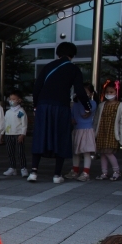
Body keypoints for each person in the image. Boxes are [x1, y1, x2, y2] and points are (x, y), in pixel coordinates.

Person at [28, 42, 92, 184]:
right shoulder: (73, 69)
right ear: (72, 55)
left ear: (58, 53)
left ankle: (33, 172)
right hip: (61, 106)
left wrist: (35, 106)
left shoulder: (48, 66)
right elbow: (80, 91)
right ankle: (57, 175)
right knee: (61, 137)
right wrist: (88, 107)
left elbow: (37, 87)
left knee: (40, 136)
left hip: (43, 106)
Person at [93, 80, 122, 181]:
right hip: (102, 132)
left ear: (117, 92)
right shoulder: (101, 105)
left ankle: (116, 171)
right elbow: (96, 120)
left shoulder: (121, 107)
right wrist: (94, 131)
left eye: (111, 92)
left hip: (112, 133)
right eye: (107, 92)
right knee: (102, 153)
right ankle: (104, 172)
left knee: (108, 152)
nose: (109, 94)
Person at [64, 83, 97, 182]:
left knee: (86, 152)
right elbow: (72, 115)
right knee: (76, 152)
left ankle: (86, 172)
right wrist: (72, 119)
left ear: (91, 94)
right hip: (77, 130)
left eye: (86, 92)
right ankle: (75, 170)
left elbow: (86, 114)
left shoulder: (92, 103)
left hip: (87, 130)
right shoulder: (75, 104)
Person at [3, 90, 29, 178]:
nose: (11, 100)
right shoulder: (8, 112)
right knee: (10, 151)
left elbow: (24, 124)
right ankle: (12, 167)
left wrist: (22, 134)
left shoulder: (21, 112)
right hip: (9, 134)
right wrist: (3, 133)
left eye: (14, 99)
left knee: (20, 152)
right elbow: (5, 122)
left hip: (18, 134)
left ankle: (23, 168)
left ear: (19, 100)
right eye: (10, 99)